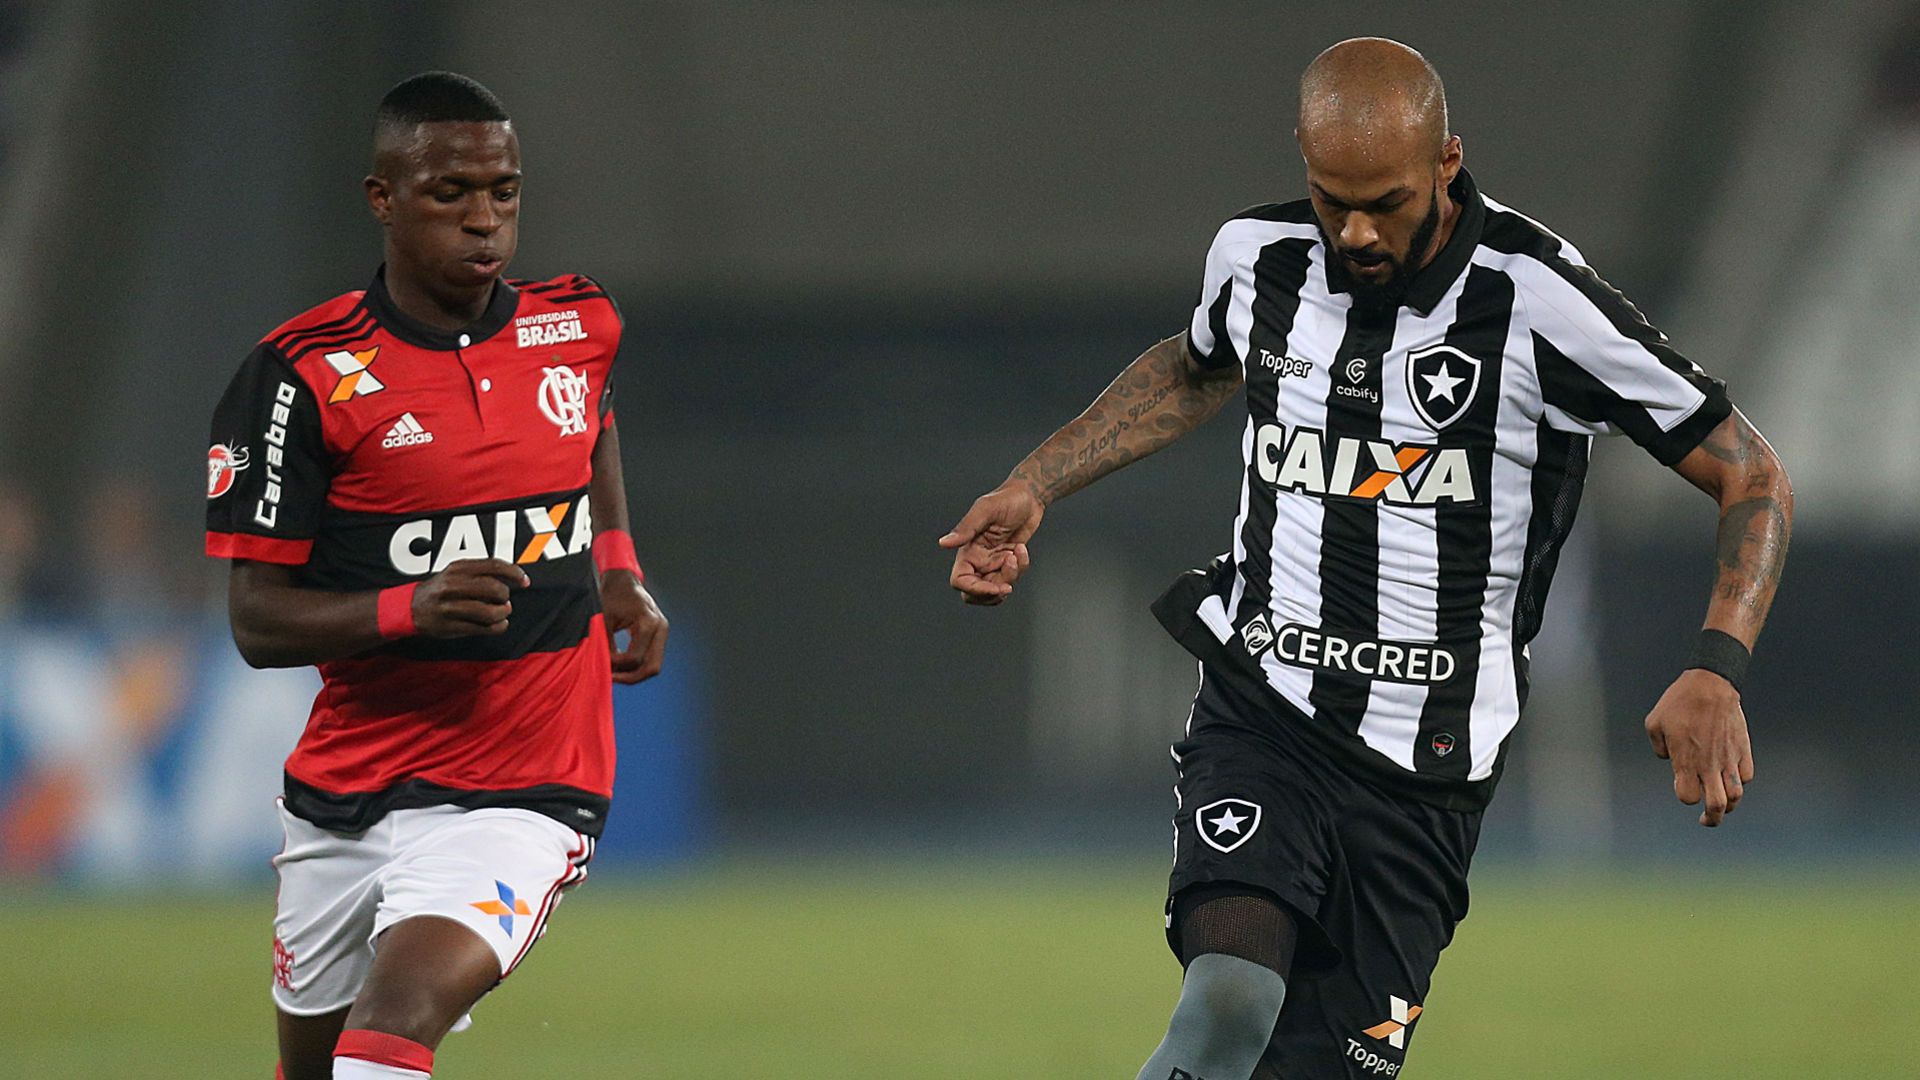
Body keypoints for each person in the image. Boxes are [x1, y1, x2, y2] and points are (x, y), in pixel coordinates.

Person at [941, 38, 1791, 1080]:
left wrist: (1717, 663)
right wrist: (1038, 481)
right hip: (1264, 711)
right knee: (1225, 1002)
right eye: (1329, 197)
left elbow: (1752, 473)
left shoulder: (1538, 303)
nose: (1354, 230)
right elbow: (1195, 366)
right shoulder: (1257, 256)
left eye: (1383, 202)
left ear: (1447, 163)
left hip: (1424, 774)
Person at [205, 72, 668, 1080]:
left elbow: (590, 426)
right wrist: (405, 608)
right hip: (348, 786)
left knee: (388, 1035)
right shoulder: (303, 376)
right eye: (450, 193)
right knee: (322, 1071)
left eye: (503, 191)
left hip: (522, 787)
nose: (485, 221)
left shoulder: (577, 324)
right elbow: (255, 621)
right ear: (382, 198)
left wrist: (617, 568)